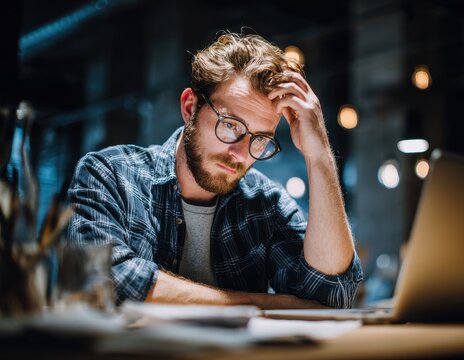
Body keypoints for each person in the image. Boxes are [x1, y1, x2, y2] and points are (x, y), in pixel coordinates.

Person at [67, 32, 362, 309]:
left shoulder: (265, 203)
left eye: (259, 140)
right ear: (189, 107)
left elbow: (333, 293)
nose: (240, 153)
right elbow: (105, 280)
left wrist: (319, 155)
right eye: (231, 125)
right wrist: (264, 303)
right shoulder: (109, 175)